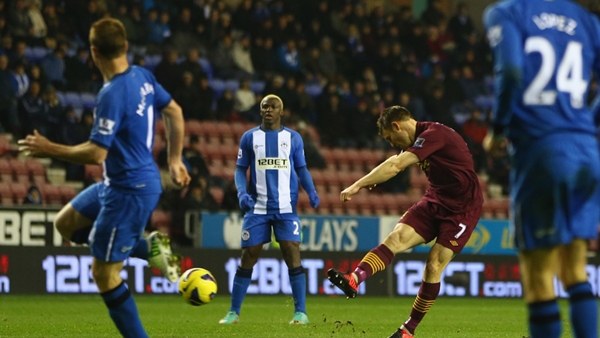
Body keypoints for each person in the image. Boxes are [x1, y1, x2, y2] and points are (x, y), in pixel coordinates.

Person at [17, 18, 190, 338]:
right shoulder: (143, 75)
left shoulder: (112, 94)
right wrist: (175, 159)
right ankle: (148, 248)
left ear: (94, 52)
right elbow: (175, 111)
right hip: (122, 183)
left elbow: (97, 154)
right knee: (65, 224)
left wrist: (49, 148)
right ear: (125, 46)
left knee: (104, 275)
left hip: (129, 190)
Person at [483, 1, 600, 337]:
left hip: (541, 150)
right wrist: (584, 124)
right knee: (576, 269)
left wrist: (498, 129)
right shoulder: (587, 21)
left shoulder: (507, 12)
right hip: (586, 151)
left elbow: (512, 70)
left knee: (538, 276)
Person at [327, 106, 483, 338]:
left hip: (462, 209)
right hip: (436, 199)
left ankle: (408, 330)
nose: (393, 144)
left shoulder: (433, 135)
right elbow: (393, 162)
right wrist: (365, 180)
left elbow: (395, 166)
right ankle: (354, 278)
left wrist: (356, 185)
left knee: (433, 264)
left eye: (391, 138)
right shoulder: (419, 140)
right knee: (396, 237)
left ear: (397, 126)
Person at [218, 94, 320, 325]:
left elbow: (302, 169)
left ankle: (300, 313)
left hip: (286, 208)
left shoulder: (293, 138)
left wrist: (311, 192)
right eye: (265, 107)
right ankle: (233, 313)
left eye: (273, 107)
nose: (268, 110)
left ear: (282, 112)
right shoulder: (249, 138)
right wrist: (241, 193)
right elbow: (239, 169)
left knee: (292, 253)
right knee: (248, 256)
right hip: (258, 208)